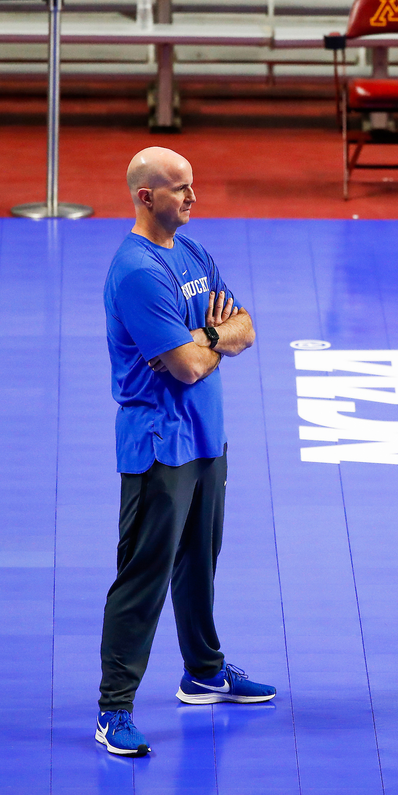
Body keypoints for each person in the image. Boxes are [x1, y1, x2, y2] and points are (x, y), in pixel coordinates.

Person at [96, 146, 275, 757]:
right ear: (146, 197)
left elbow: (245, 326)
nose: (193, 197)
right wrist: (211, 341)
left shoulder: (193, 251)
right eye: (180, 189)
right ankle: (114, 709)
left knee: (200, 560)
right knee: (144, 575)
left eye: (192, 185)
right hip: (158, 445)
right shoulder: (138, 273)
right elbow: (188, 367)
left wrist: (209, 335)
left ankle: (204, 673)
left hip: (205, 435)